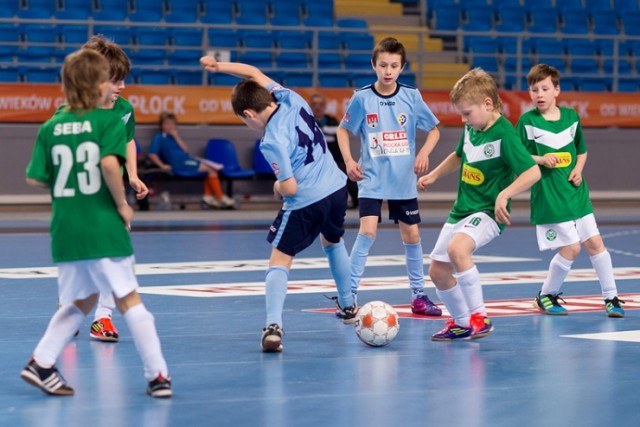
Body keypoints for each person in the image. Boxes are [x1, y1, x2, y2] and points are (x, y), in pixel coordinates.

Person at [21, 48, 171, 398]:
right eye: (111, 79)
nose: (116, 86)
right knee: (131, 300)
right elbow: (107, 164)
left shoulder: (52, 125)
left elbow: (37, 177)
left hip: (65, 227)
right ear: (98, 84)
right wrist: (121, 204)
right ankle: (158, 375)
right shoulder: (107, 122)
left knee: (80, 300)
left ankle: (41, 362)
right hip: (101, 222)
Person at [200, 55, 357, 352]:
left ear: (248, 113)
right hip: (336, 189)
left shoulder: (271, 139)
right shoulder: (291, 97)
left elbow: (290, 187)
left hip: (307, 199)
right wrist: (220, 67)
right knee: (333, 242)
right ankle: (349, 306)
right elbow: (253, 71)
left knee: (280, 259)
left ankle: (273, 326)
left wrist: (275, 186)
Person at [418, 68, 541, 341]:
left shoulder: (505, 135)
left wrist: (505, 194)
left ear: (487, 103)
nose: (463, 119)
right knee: (437, 271)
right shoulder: (473, 127)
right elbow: (460, 154)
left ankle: (479, 316)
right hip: (461, 210)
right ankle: (462, 323)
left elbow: (533, 172)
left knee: (457, 249)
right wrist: (434, 175)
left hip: (487, 213)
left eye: (466, 113)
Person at [336, 37, 442, 317]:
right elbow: (343, 130)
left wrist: (424, 154)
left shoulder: (411, 96)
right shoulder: (362, 97)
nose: (388, 70)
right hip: (371, 177)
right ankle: (348, 296)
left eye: (394, 65)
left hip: (403, 180)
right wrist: (348, 160)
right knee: (367, 231)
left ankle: (419, 296)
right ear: (374, 65)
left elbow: (434, 130)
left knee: (412, 234)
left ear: (402, 67)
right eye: (383, 65)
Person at [515, 64, 625, 318]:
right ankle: (546, 295)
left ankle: (611, 298)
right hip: (550, 197)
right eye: (534, 90)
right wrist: (541, 160)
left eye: (544, 88)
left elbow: (582, 150)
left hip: (576, 193)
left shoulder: (572, 117)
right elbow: (517, 156)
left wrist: (578, 169)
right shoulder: (527, 122)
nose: (539, 94)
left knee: (595, 243)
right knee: (572, 248)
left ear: (557, 90)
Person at [78, 35, 148, 342]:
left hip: (114, 192)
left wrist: (132, 175)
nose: (121, 87)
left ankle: (102, 318)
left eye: (123, 80)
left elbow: (128, 140)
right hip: (82, 195)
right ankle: (71, 307)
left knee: (116, 256)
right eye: (115, 80)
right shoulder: (73, 112)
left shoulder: (124, 108)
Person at [147, 111, 236, 209]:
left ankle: (208, 197)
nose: (170, 126)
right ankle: (219, 197)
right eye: (167, 124)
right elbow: (152, 154)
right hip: (179, 164)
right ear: (161, 125)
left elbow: (186, 151)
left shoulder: (174, 137)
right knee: (210, 170)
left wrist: (176, 137)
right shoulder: (159, 137)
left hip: (187, 160)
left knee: (212, 169)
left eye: (172, 124)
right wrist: (162, 166)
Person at [309, 93, 358, 207]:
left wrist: (322, 132)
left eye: (321, 104)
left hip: (335, 158)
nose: (317, 107)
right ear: (310, 105)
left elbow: (336, 136)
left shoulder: (333, 121)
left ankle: (356, 200)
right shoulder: (306, 121)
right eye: (314, 104)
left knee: (348, 170)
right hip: (314, 160)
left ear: (325, 106)